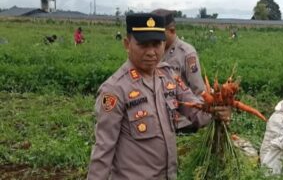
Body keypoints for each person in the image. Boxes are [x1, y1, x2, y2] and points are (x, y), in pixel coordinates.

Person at [86, 13, 231, 180]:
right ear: (127, 44)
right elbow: (103, 150)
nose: (151, 52)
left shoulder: (169, 76)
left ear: (164, 43)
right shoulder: (114, 90)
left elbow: (197, 112)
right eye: (143, 45)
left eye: (157, 44)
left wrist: (217, 110)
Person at [151, 8, 205, 134]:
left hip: (182, 125)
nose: (155, 38)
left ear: (172, 31)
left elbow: (199, 91)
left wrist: (203, 117)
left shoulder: (186, 53)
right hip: (158, 122)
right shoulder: (153, 51)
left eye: (159, 33)